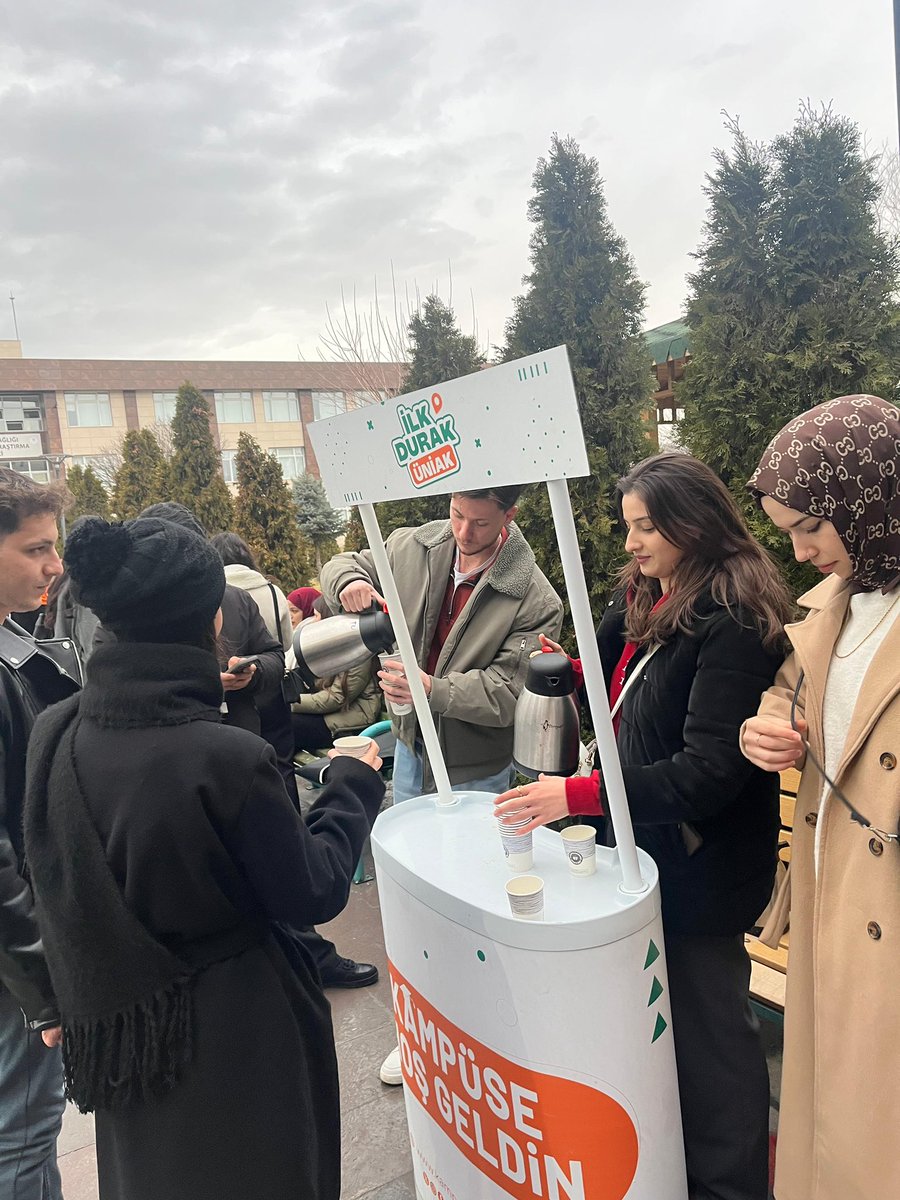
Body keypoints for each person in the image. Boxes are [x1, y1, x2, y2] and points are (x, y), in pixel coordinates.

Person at [23, 515, 386, 1200]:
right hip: (238, 1035)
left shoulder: (58, 729)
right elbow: (313, 889)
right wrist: (353, 785)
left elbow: (46, 871)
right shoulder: (222, 757)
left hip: (130, 1035)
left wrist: (53, 996)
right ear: (209, 619)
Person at [495, 452, 793, 1200]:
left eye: (644, 526)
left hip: (701, 871)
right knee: (667, 1036)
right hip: (645, 855)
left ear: (693, 524)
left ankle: (730, 1184)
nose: (630, 542)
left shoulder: (731, 620)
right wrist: (562, 672)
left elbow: (708, 775)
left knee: (711, 1039)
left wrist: (581, 796)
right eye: (627, 525)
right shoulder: (649, 596)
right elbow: (607, 686)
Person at [321, 485, 562, 1084]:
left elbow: (511, 693)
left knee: (476, 897)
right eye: (456, 514)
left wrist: (432, 689)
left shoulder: (534, 596)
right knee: (414, 892)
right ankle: (419, 1032)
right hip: (409, 750)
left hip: (479, 768)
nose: (463, 532)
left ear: (509, 517)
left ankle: (485, 1032)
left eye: (480, 523)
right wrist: (349, 585)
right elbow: (342, 562)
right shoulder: (412, 544)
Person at [739, 394, 900, 1200]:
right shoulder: (836, 600)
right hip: (826, 894)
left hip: (886, 910)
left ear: (862, 501)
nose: (799, 553)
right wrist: (762, 730)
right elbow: (788, 691)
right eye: (788, 533)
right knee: (833, 1122)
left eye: (810, 527)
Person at [212, 535, 379, 991]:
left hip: (262, 735)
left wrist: (250, 675)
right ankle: (282, 959)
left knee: (281, 850)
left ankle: (309, 954)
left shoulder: (242, 601)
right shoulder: (128, 628)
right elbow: (318, 884)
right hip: (219, 756)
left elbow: (277, 659)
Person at [0, 467, 80, 1199]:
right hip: (13, 966)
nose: (54, 566)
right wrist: (41, 985)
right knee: (22, 1133)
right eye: (35, 549)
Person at [289, 598, 382, 755]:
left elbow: (337, 698)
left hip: (354, 718)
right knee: (278, 720)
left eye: (317, 616)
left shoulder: (357, 651)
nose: (313, 621)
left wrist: (291, 701)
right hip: (334, 712)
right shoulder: (333, 645)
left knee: (286, 725)